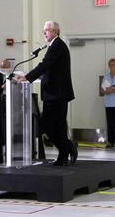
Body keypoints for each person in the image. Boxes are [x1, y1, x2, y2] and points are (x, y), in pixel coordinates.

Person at [16, 21, 75, 166]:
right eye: (44, 31)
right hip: (55, 93)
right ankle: (65, 152)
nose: (44, 34)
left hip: (57, 94)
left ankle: (67, 149)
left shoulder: (57, 46)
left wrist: (27, 77)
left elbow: (45, 65)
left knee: (49, 126)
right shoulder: (55, 45)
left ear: (55, 31)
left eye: (46, 31)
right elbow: (50, 70)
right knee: (56, 126)